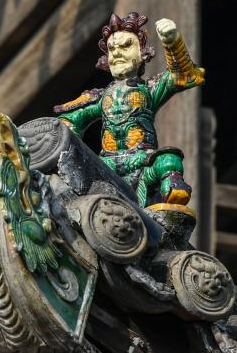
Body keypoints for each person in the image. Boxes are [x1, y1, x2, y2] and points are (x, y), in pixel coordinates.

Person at [54, 12, 204, 211]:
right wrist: (65, 136)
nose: (117, 53)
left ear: (142, 53)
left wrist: (173, 42)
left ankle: (172, 196)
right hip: (106, 164)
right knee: (76, 169)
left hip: (141, 160)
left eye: (125, 46)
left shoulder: (149, 90)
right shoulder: (99, 97)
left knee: (169, 159)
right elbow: (73, 120)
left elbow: (182, 75)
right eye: (112, 49)